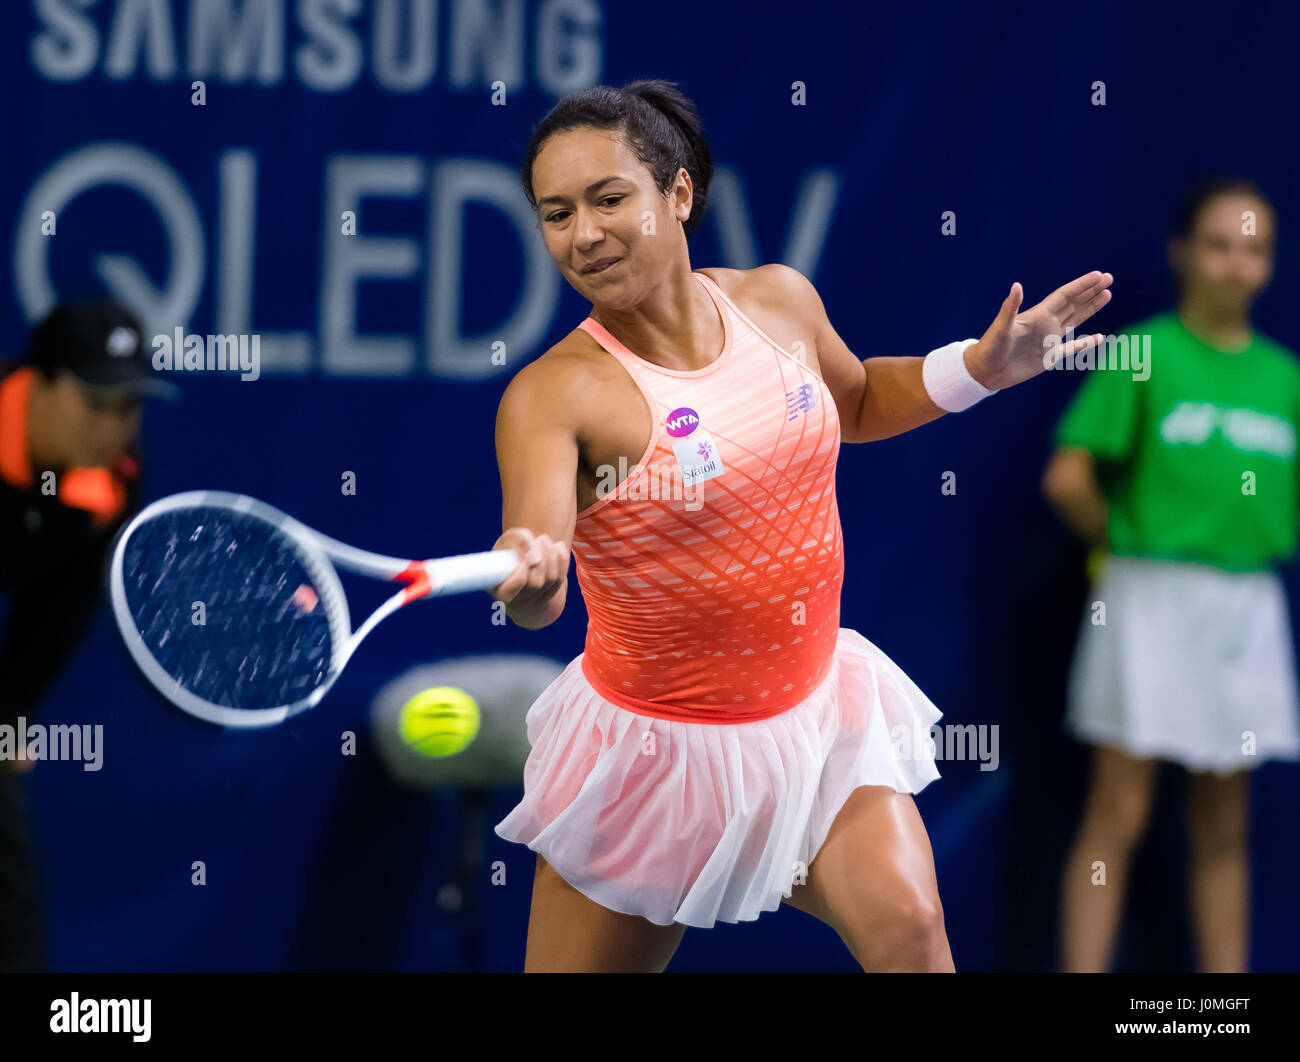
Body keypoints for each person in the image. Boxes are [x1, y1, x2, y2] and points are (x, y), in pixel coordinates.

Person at [488, 78, 1112, 972]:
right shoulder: (553, 395)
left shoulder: (777, 302)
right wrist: (535, 580)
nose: (582, 234)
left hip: (813, 721)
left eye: (608, 198)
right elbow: (537, 569)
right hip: (653, 759)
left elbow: (854, 400)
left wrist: (977, 369)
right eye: (555, 214)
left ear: (678, 194)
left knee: (910, 932)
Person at [1044, 176, 1298, 973]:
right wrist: (1120, 545)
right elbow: (1069, 476)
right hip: (1146, 599)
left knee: (1225, 818)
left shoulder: (1285, 380)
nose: (1236, 264)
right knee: (1119, 807)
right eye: (1220, 244)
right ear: (1182, 254)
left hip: (1245, 607)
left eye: (1254, 249)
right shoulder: (1144, 353)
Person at [0, 295, 176, 970]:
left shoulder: (111, 483)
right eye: (94, 402)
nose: (113, 427)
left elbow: (56, 614)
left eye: (128, 405)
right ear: (37, 385)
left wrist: (11, 713)